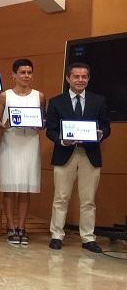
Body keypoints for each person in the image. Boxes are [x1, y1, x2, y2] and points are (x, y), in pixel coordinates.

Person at [46, 63, 111, 253]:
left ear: (88, 79)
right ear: (68, 78)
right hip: (64, 154)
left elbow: (106, 126)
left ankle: (88, 238)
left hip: (90, 155)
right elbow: (50, 129)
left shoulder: (99, 101)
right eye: (76, 76)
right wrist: (62, 140)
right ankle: (56, 235)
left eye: (84, 77)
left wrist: (101, 134)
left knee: (88, 200)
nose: (80, 80)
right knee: (61, 198)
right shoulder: (56, 101)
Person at [0, 58, 46, 245]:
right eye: (22, 72)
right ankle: (10, 225)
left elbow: (43, 120)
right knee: (10, 187)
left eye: (29, 72)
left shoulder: (39, 96)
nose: (26, 76)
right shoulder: (4, 96)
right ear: (14, 75)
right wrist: (3, 125)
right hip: (11, 143)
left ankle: (22, 226)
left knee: (25, 187)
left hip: (30, 143)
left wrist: (40, 125)